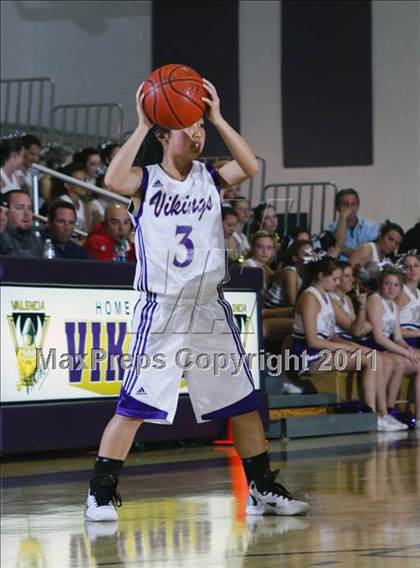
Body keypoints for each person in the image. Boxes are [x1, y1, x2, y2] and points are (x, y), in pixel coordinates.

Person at [84, 79, 309, 522]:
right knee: (135, 406)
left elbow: (248, 164)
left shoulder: (209, 176)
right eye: (187, 127)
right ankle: (100, 493)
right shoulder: (145, 181)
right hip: (164, 307)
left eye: (199, 126)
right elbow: (112, 178)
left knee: (243, 403)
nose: (198, 134)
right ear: (164, 135)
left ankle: (261, 489)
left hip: (209, 306)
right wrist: (143, 124)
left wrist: (218, 117)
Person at [291, 255, 398, 431]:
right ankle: (372, 415)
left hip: (323, 352)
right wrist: (347, 348)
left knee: (373, 357)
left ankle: (383, 413)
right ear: (321, 276)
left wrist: (356, 347)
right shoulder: (309, 297)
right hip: (307, 356)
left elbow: (331, 335)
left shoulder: (326, 297)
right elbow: (313, 340)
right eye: (334, 279)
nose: (337, 282)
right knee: (371, 359)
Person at [363, 267, 420, 424]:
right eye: (387, 284)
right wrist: (406, 353)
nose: (391, 288)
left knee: (409, 363)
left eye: (395, 285)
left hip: (386, 347)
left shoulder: (393, 305)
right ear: (381, 284)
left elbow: (398, 337)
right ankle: (383, 412)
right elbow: (379, 338)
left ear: (400, 288)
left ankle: (391, 409)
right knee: (395, 362)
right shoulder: (374, 300)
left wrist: (408, 349)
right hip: (372, 345)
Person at [326, 188, 379, 260]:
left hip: (367, 268)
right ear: (338, 208)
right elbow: (338, 246)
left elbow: (373, 255)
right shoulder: (331, 229)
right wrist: (343, 217)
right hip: (343, 268)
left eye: (353, 204)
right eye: (345, 204)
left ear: (357, 206)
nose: (350, 208)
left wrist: (344, 250)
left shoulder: (371, 227)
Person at [49, 162, 89, 232]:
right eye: (79, 181)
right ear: (67, 184)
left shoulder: (83, 205)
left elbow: (85, 232)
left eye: (85, 180)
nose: (84, 185)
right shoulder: (60, 202)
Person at [0, 190, 42, 257]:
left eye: (29, 208)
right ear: (7, 212)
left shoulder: (35, 240)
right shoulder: (2, 237)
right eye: (19, 208)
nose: (27, 214)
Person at [397, 253, 420, 349]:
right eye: (407, 266)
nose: (412, 269)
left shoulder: (419, 293)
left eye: (416, 265)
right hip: (404, 342)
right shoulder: (399, 293)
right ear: (402, 271)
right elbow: (388, 327)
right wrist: (418, 333)